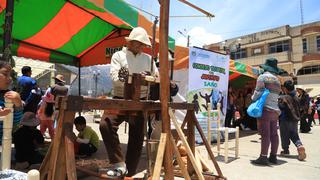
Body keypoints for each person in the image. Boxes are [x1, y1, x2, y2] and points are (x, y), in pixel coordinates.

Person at [99, 27, 159, 177]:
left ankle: (129, 173)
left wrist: (148, 77)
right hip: (120, 98)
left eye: (143, 44)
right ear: (130, 42)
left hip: (140, 100)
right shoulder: (118, 55)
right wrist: (127, 78)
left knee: (137, 137)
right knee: (105, 124)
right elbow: (114, 77)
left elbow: (156, 77)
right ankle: (119, 163)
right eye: (139, 43)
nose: (141, 47)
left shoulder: (148, 59)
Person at [251, 58, 281, 165]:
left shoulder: (262, 77)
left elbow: (257, 93)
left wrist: (252, 98)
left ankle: (263, 157)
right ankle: (273, 156)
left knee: (265, 134)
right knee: (274, 134)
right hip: (275, 110)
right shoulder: (277, 79)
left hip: (265, 109)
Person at [278, 80, 306, 161]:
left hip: (285, 119)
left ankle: (286, 150)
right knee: (294, 134)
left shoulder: (284, 98)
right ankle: (299, 145)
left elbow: (281, 107)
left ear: (285, 89)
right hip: (295, 119)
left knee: (284, 135)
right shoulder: (297, 97)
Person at [0, 61, 23, 145]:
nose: (10, 78)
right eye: (5, 74)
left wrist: (18, 104)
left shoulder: (8, 96)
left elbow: (15, 124)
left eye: (10, 75)